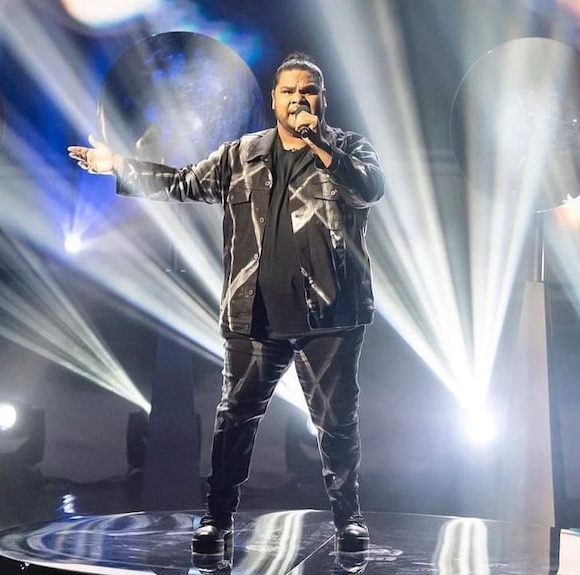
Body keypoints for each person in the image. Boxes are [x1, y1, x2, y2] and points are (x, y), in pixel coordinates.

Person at [68, 52, 385, 558]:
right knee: (234, 420)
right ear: (275, 98)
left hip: (330, 316)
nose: (299, 100)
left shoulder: (346, 149)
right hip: (254, 314)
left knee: (337, 423)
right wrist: (119, 166)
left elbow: (370, 190)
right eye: (289, 92)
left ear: (323, 99)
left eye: (309, 92)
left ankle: (349, 520)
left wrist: (322, 144)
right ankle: (216, 520)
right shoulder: (242, 154)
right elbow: (183, 182)